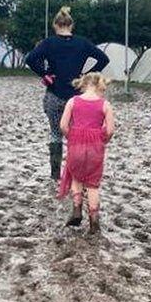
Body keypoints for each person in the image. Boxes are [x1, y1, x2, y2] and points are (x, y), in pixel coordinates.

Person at [26, 7, 110, 180]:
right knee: (76, 135)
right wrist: (86, 75)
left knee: (56, 134)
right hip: (76, 98)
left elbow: (30, 59)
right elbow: (103, 59)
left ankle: (55, 175)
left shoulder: (48, 43)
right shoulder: (82, 43)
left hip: (54, 95)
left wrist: (44, 74)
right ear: (71, 25)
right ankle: (75, 172)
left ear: (55, 25)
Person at [57, 72, 115, 234]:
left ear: (83, 85)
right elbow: (110, 130)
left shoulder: (72, 101)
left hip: (76, 145)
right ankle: (94, 221)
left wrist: (72, 136)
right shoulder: (105, 104)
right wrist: (103, 139)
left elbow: (63, 125)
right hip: (96, 147)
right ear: (99, 86)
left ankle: (76, 209)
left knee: (76, 177)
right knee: (92, 184)